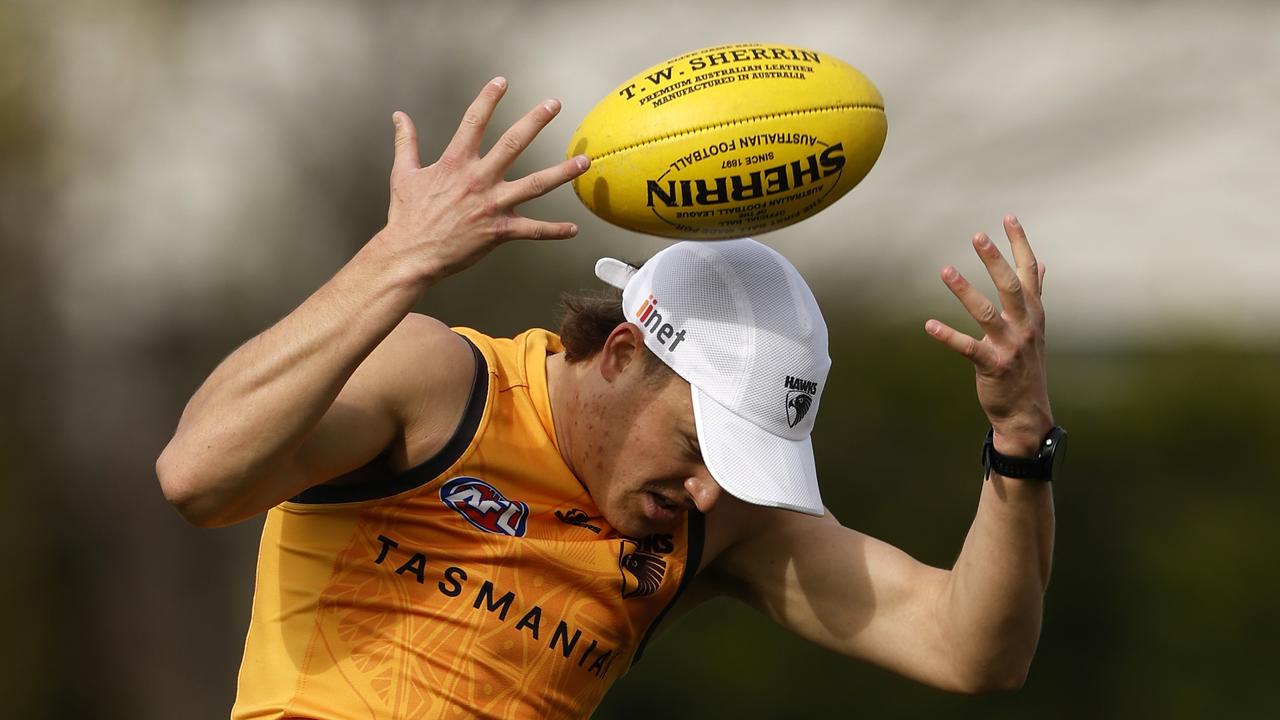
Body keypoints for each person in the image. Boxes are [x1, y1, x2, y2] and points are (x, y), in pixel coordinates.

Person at [157, 77, 1059, 719]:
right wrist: (400, 261)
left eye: (740, 464)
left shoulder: (713, 523)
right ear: (625, 353)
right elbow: (198, 478)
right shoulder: (440, 386)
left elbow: (970, 650)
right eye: (700, 445)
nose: (707, 490)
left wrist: (1021, 441)